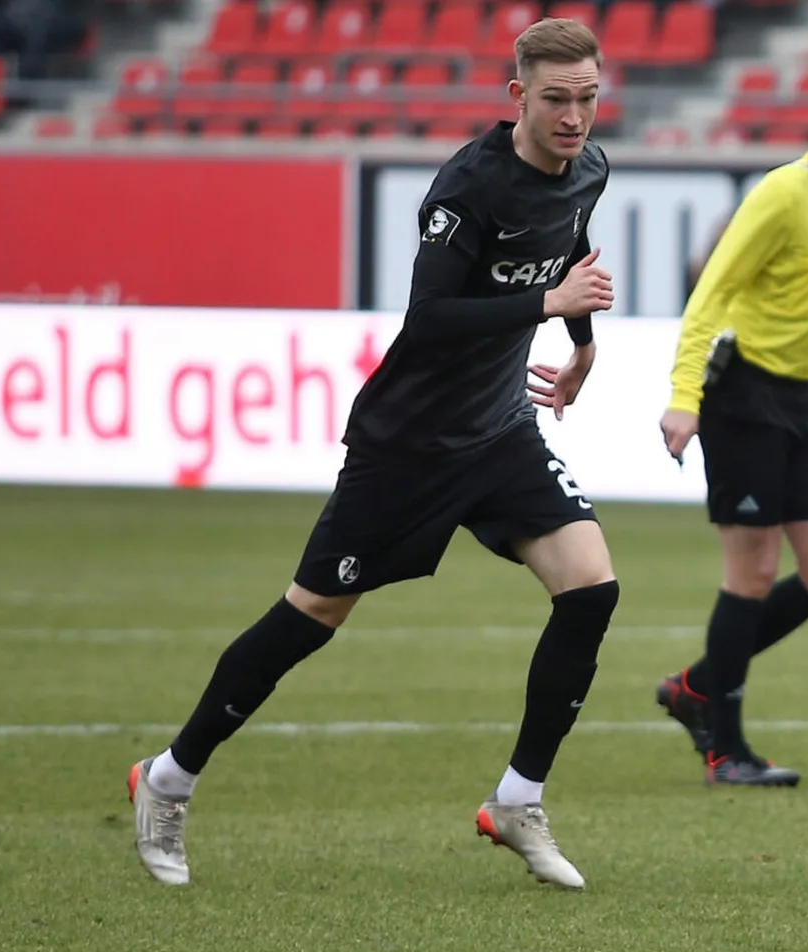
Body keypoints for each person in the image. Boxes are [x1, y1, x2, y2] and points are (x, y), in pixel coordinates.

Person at [125, 19, 619, 890]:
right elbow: (428, 319)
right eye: (556, 100)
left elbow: (569, 244)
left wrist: (581, 344)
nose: (575, 117)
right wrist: (548, 304)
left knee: (591, 587)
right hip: (410, 443)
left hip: (500, 430)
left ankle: (518, 799)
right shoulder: (469, 185)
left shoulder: (590, 168)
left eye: (586, 97)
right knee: (311, 615)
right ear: (518, 96)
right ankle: (167, 777)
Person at [651, 65, 808, 787]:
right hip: (741, 393)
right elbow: (711, 293)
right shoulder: (781, 195)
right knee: (753, 574)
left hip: (803, 401)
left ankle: (696, 686)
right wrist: (684, 396)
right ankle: (725, 749)